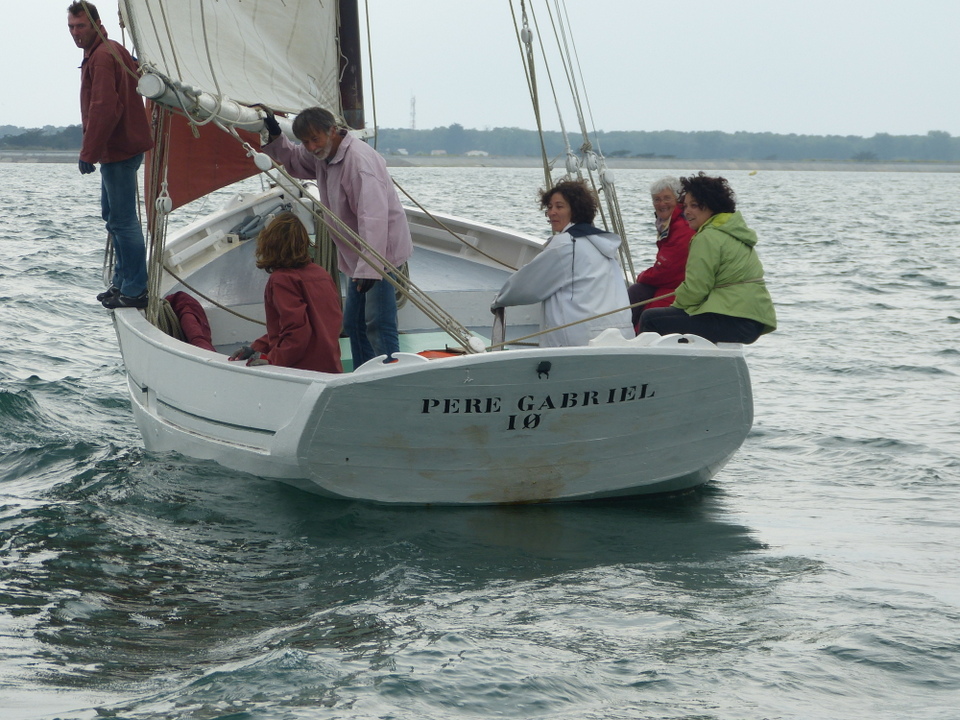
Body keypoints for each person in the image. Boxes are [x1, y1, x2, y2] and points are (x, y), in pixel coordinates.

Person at [259, 106, 413, 368]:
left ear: (332, 131)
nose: (310, 147)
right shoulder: (324, 154)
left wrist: (369, 268)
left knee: (378, 323)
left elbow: (373, 218)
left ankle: (389, 375)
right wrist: (275, 136)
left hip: (380, 256)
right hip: (359, 256)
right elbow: (295, 161)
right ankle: (365, 374)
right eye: (305, 141)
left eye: (315, 139)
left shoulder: (360, 162)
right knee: (353, 322)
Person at [68, 1, 154, 309]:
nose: (75, 33)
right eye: (71, 28)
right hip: (122, 149)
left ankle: (135, 288)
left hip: (118, 150)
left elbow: (104, 108)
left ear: (95, 23)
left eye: (80, 26)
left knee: (122, 220)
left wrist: (88, 153)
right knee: (113, 218)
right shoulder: (110, 49)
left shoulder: (102, 57)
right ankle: (122, 281)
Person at [491, 179, 632, 347]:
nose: (552, 213)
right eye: (549, 207)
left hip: (580, 340)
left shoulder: (564, 245)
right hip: (621, 335)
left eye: (559, 206)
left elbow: (527, 285)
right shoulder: (605, 244)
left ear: (576, 209)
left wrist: (499, 300)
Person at [638, 172, 776, 344]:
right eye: (685, 205)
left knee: (652, 318)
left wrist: (674, 308)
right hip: (751, 319)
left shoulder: (706, 237)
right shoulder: (731, 228)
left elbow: (696, 289)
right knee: (670, 317)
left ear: (711, 206)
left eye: (694, 206)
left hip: (733, 319)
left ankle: (648, 367)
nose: (686, 211)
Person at [229, 212, 343, 373]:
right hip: (330, 368)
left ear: (270, 244)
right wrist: (257, 348)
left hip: (302, 372)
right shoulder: (321, 274)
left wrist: (271, 359)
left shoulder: (282, 280)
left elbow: (297, 333)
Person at [627, 176, 694, 332]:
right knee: (636, 293)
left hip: (678, 288)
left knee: (646, 313)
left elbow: (667, 271)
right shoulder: (671, 224)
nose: (661, 204)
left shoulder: (682, 228)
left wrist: (643, 276)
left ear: (678, 200)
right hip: (673, 284)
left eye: (666, 198)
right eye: (656, 199)